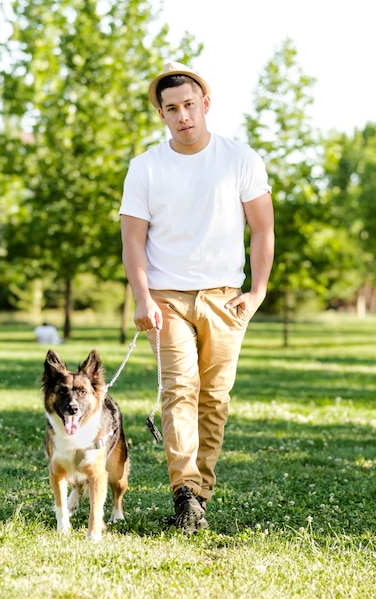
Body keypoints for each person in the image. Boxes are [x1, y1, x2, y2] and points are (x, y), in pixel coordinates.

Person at [119, 61, 274, 533]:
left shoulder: (240, 158)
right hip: (166, 297)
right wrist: (143, 298)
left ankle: (199, 494)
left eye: (189, 105)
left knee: (214, 399)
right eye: (172, 109)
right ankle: (184, 492)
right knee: (179, 391)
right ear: (162, 115)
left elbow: (263, 229)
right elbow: (132, 241)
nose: (182, 115)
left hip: (225, 298)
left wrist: (258, 292)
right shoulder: (145, 167)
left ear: (205, 104)